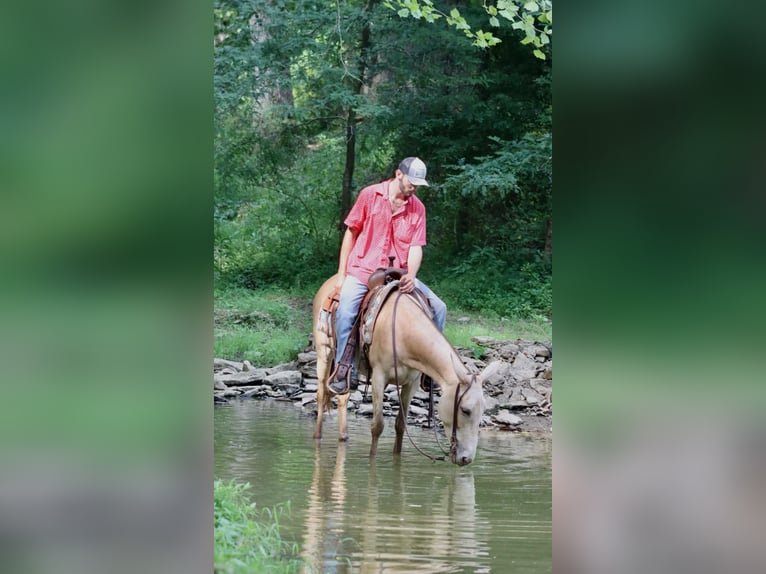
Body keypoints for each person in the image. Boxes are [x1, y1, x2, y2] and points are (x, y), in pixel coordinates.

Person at [329, 157, 447, 395]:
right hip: (364, 269)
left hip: (399, 273)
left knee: (440, 307)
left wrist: (411, 275)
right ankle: (345, 366)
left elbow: (416, 247)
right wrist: (342, 275)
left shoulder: (418, 208)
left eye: (418, 184)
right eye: (411, 182)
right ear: (398, 174)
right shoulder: (370, 195)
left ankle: (430, 368)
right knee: (346, 311)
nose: (414, 187)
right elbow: (351, 234)